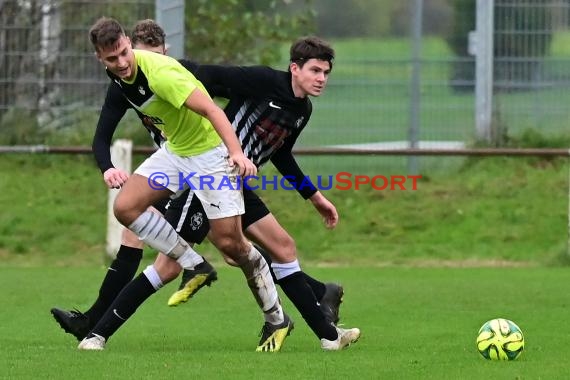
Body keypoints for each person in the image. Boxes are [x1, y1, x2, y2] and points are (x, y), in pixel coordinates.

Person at [52, 19, 358, 351]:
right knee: (133, 216)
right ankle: (98, 329)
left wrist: (309, 194)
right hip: (192, 159)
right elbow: (210, 77)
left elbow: (274, 150)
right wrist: (108, 167)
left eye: (325, 73)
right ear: (294, 68)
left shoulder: (300, 110)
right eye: (316, 71)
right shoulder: (261, 81)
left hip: (219, 167)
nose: (321, 79)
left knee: (256, 249)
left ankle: (308, 326)